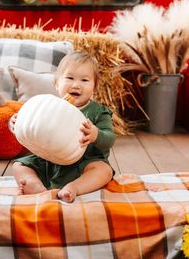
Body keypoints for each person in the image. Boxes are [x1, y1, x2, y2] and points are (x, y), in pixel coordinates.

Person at [9, 51, 116, 203]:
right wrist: (17, 122)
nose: (76, 85)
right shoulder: (48, 106)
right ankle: (36, 186)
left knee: (104, 171)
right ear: (57, 83)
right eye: (70, 78)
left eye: (84, 80)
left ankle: (74, 187)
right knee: (19, 165)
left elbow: (110, 139)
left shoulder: (98, 112)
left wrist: (95, 134)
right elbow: (32, 123)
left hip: (83, 165)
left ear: (94, 87)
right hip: (49, 161)